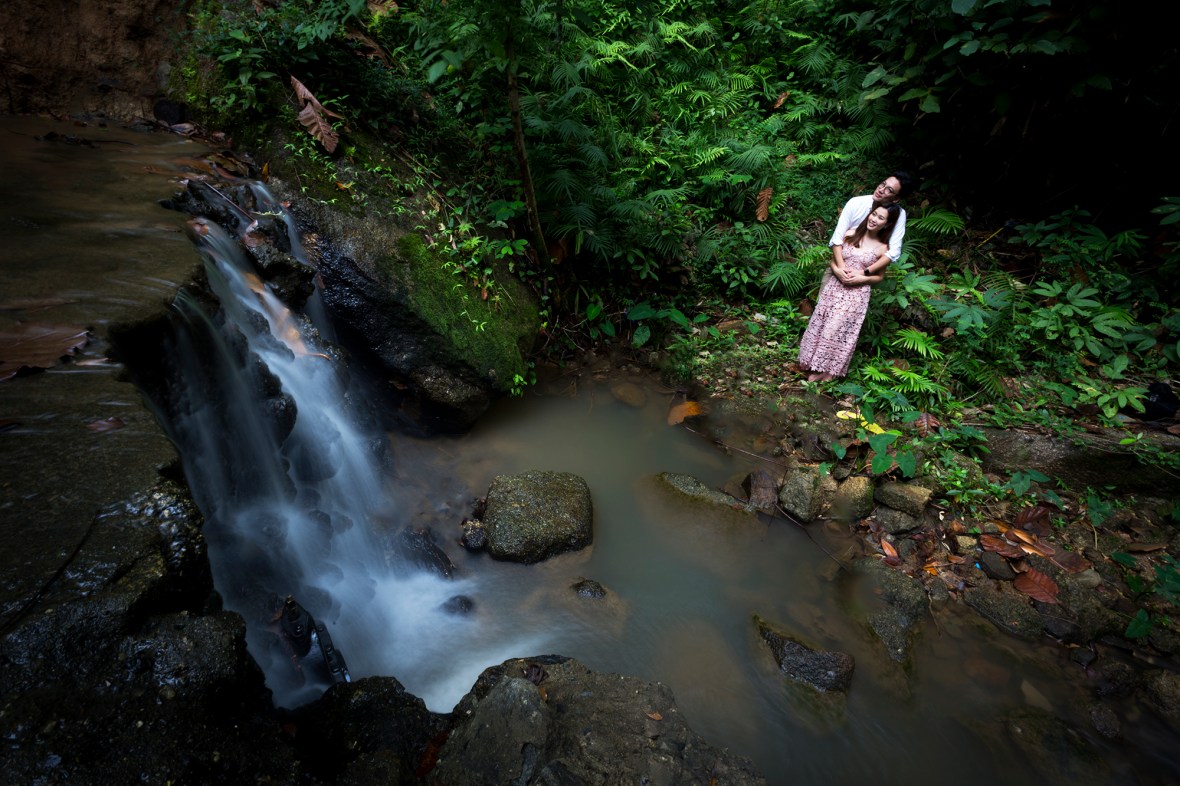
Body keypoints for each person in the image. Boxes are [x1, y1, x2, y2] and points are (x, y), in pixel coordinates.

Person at [799, 202, 902, 382]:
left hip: (856, 293)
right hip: (834, 287)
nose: (874, 219)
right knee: (823, 324)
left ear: (886, 224)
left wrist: (862, 278)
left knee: (837, 329)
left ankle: (829, 372)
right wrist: (838, 270)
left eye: (880, 218)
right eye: (874, 214)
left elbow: (879, 277)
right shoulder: (849, 234)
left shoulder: (883, 249)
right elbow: (833, 261)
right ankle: (813, 364)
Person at [828, 171, 912, 267]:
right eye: (883, 184)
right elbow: (837, 239)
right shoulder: (855, 203)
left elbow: (894, 252)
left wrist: (865, 273)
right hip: (841, 260)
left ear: (896, 199)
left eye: (889, 190)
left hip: (869, 265)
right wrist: (841, 268)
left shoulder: (899, 214)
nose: (881, 190)